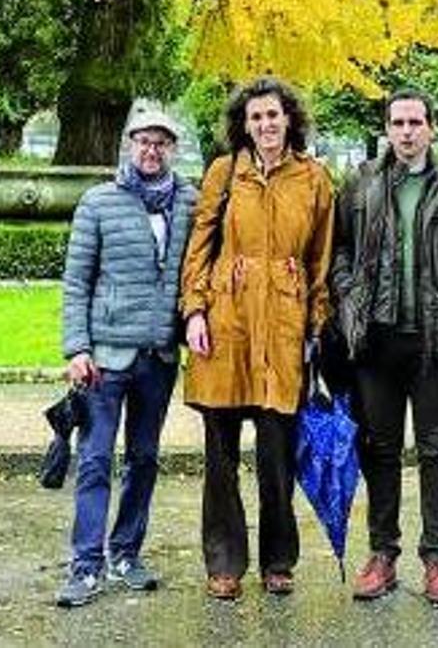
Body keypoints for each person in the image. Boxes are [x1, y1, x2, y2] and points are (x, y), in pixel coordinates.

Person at [330, 88, 438, 605]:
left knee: (437, 448)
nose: (405, 132)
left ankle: (437, 558)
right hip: (375, 340)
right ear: (387, 127)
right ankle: (382, 554)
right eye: (397, 122)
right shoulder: (360, 184)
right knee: (378, 448)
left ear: (431, 128)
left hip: (436, 341)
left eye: (415, 122)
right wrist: (350, 300)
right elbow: (341, 254)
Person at [180, 77, 334, 601]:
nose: (265, 125)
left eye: (273, 115)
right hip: (226, 325)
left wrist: (316, 326)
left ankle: (277, 560)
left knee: (277, 455)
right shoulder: (225, 174)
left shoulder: (314, 179)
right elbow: (199, 246)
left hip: (285, 328)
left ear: (289, 118)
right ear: (243, 126)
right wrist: (194, 311)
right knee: (220, 456)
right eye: (255, 118)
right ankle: (224, 562)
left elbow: (321, 261)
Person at [55, 109, 197, 607]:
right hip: (106, 359)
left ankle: (125, 552)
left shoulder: (188, 202)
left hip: (158, 356)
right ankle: (85, 563)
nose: (151, 150)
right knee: (95, 460)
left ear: (172, 149)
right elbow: (76, 283)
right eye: (143, 142)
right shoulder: (98, 202)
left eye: (160, 143)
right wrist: (77, 348)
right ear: (128, 146)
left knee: (144, 459)